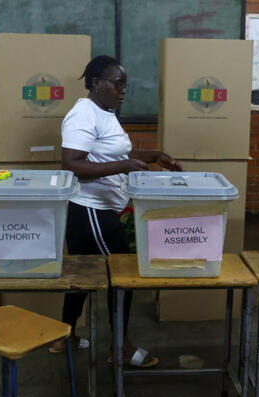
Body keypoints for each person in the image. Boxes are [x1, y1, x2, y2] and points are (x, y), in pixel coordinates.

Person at [50, 55, 182, 368]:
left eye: (125, 84)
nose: (122, 90)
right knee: (121, 274)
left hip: (95, 211)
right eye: (116, 83)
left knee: (83, 276)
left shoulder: (104, 112)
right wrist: (125, 165)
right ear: (95, 83)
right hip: (91, 211)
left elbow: (112, 151)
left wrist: (151, 155)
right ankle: (120, 346)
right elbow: (71, 164)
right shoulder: (83, 115)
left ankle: (64, 336)